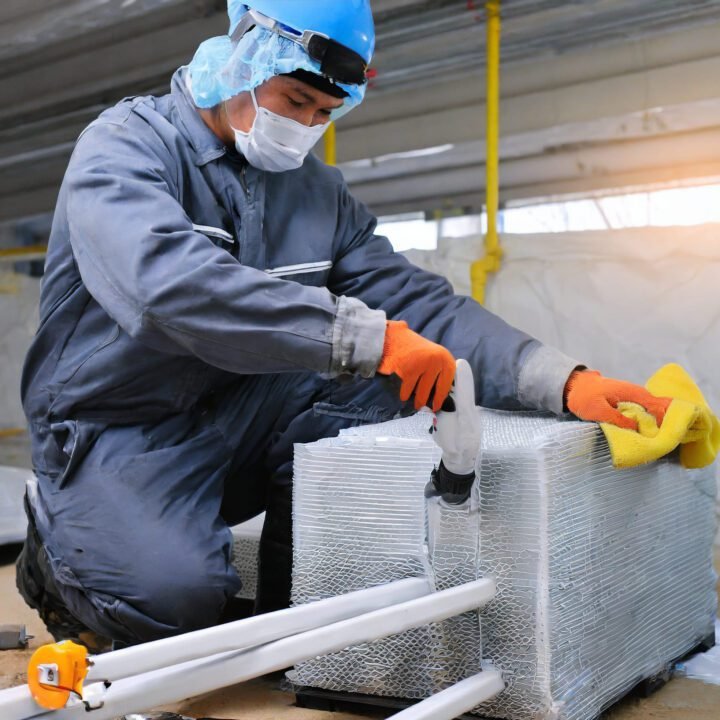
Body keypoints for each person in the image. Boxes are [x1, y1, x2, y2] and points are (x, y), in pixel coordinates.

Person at [16, 0, 670, 650]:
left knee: (389, 382)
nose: (305, 125)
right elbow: (166, 288)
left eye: (325, 113)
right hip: (117, 426)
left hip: (237, 410)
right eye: (296, 100)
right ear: (245, 58)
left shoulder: (315, 193)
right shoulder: (127, 147)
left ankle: (296, 613)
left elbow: (417, 305)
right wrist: (364, 338)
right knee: (174, 599)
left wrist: (562, 381)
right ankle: (56, 558)